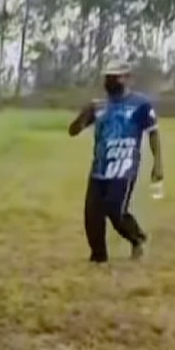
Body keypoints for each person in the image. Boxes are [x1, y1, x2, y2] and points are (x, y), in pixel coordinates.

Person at [68, 62, 164, 262]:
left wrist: (158, 163)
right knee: (92, 214)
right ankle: (98, 256)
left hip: (125, 168)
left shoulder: (141, 104)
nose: (111, 81)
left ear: (127, 77)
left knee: (115, 209)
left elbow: (153, 133)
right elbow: (73, 131)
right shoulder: (99, 107)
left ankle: (137, 238)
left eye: (116, 76)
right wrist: (83, 115)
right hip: (100, 168)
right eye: (108, 77)